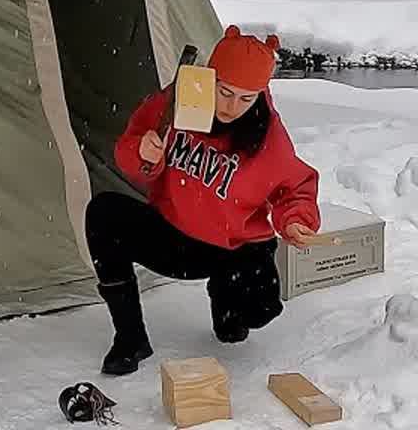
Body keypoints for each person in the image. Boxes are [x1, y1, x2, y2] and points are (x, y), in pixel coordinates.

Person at [86, 25, 322, 376]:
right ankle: (130, 337)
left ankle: (225, 298)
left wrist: (296, 219)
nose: (232, 107)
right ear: (210, 78)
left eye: (246, 98)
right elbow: (132, 152)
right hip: (176, 235)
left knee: (257, 316)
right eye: (225, 92)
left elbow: (296, 186)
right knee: (103, 212)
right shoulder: (179, 101)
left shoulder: (267, 135)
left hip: (236, 247)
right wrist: (142, 150)